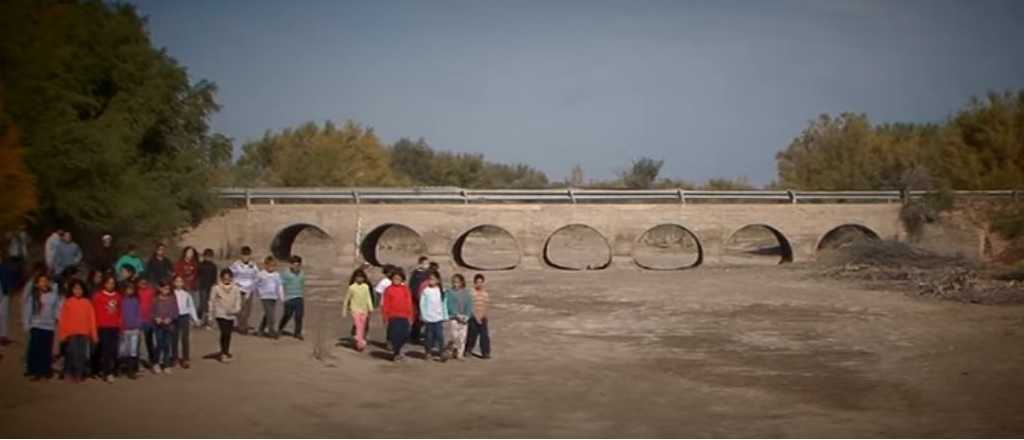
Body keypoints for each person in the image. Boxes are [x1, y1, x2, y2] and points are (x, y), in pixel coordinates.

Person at [22, 273, 63, 380]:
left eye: (46, 281)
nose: (44, 283)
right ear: (36, 284)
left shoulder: (53, 295)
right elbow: (27, 311)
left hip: (49, 327)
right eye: (41, 281)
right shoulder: (33, 296)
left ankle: (44, 370)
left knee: (46, 349)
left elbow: (57, 308)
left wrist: (57, 318)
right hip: (36, 326)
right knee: (34, 349)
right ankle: (33, 370)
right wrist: (27, 324)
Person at [57, 279, 97, 383]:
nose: (78, 291)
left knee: (81, 355)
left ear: (83, 290)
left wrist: (94, 335)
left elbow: (91, 319)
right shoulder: (68, 302)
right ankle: (69, 373)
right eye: (75, 288)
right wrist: (63, 334)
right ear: (72, 290)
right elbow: (63, 320)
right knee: (71, 354)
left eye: (80, 289)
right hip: (72, 333)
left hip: (84, 333)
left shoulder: (87, 303)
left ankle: (79, 374)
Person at [91, 274, 122, 382]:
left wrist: (120, 325)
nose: (110, 285)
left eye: (112, 283)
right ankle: (106, 372)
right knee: (105, 350)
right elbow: (93, 312)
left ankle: (111, 370)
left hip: (114, 327)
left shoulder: (118, 296)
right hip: (102, 326)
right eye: (108, 283)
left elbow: (119, 312)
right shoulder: (97, 296)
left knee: (113, 350)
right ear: (104, 284)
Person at [208, 269, 241, 362]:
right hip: (220, 313)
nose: (226, 280)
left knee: (228, 334)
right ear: (221, 278)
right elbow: (211, 301)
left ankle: (225, 351)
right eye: (224, 278)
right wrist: (210, 315)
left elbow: (238, 301)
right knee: (224, 332)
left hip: (231, 314)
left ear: (231, 278)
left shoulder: (236, 288)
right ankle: (223, 353)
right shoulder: (216, 288)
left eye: (228, 278)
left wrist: (236, 310)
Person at [380, 270, 414, 362]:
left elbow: (409, 303)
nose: (396, 280)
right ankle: (396, 353)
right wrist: (385, 317)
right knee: (395, 336)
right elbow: (385, 304)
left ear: (402, 279)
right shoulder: (388, 289)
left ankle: (398, 350)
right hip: (393, 316)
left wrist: (410, 316)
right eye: (395, 278)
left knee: (405, 335)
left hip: (404, 316)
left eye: (399, 278)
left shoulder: (405, 289)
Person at [341, 268, 373, 351]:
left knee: (362, 326)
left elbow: (368, 298)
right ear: (354, 278)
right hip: (355, 309)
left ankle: (359, 340)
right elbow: (346, 299)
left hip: (364, 309)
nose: (359, 279)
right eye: (358, 277)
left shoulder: (366, 287)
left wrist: (370, 307)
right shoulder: (352, 288)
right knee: (358, 325)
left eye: (361, 277)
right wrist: (344, 310)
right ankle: (360, 341)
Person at [171, 275, 200, 368]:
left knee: (185, 338)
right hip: (174, 317)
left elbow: (191, 307)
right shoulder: (171, 294)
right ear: (173, 283)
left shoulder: (187, 294)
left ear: (183, 283)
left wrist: (195, 319)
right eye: (177, 281)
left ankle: (185, 359)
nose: (179, 283)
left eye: (180, 281)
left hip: (184, 317)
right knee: (174, 338)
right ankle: (175, 358)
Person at [229, 246, 259, 334]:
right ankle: (242, 327)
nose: (245, 257)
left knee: (248, 309)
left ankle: (244, 324)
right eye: (244, 255)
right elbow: (230, 275)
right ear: (241, 255)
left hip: (249, 289)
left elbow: (256, 276)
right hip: (239, 288)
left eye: (247, 255)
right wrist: (234, 285)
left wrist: (253, 287)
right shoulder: (236, 264)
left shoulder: (253, 265)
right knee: (240, 308)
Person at [419, 271, 448, 361]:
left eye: (433, 279)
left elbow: (444, 304)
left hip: (438, 318)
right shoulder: (426, 291)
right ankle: (428, 352)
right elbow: (422, 304)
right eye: (430, 279)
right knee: (429, 337)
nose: (431, 281)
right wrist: (423, 316)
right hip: (429, 318)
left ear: (438, 280)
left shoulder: (441, 291)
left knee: (440, 336)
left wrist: (445, 316)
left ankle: (442, 352)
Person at [151, 280, 179, 374]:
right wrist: (156, 318)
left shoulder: (172, 299)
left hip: (169, 326)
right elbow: (151, 312)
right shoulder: (155, 299)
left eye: (167, 288)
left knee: (167, 345)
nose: (166, 290)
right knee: (159, 344)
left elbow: (176, 312)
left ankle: (166, 365)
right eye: (164, 288)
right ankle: (156, 363)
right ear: (159, 288)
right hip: (158, 326)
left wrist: (170, 318)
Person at [444, 274, 473, 361]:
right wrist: (456, 315)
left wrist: (467, 316)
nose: (455, 284)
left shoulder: (466, 293)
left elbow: (469, 305)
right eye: (454, 282)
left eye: (457, 282)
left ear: (461, 283)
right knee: (454, 336)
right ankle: (451, 350)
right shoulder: (449, 293)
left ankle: (460, 354)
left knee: (462, 337)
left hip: (464, 319)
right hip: (454, 318)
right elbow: (448, 305)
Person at [254, 256, 283, 338]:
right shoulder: (261, 274)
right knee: (271, 314)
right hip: (264, 297)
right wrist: (257, 292)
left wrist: (281, 296)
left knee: (268, 314)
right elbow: (255, 284)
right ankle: (272, 331)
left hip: (273, 297)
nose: (271, 268)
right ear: (265, 265)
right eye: (270, 265)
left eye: (273, 266)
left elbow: (279, 286)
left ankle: (261, 329)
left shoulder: (277, 275)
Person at [118, 281, 142, 379]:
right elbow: (118, 314)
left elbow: (138, 314)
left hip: (134, 329)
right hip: (124, 329)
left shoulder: (135, 301)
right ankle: (120, 369)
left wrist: (138, 326)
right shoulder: (120, 300)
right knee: (122, 350)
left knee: (133, 350)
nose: (130, 291)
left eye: (131, 289)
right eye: (128, 288)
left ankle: (131, 371)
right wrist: (120, 327)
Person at [278, 255, 306, 340]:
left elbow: (301, 284)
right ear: (291, 265)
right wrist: (282, 297)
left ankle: (297, 333)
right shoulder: (285, 274)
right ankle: (280, 328)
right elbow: (280, 285)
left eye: (298, 265)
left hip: (299, 297)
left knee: (299, 315)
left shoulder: (302, 273)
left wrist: (301, 294)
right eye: (295, 265)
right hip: (289, 298)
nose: (296, 267)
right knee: (287, 315)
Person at [465, 273, 491, 359]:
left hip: (483, 317)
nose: (479, 284)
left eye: (481, 282)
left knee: (484, 336)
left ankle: (485, 353)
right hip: (473, 317)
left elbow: (486, 305)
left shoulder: (485, 294)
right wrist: (476, 317)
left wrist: (483, 316)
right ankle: (468, 349)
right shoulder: (471, 293)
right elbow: (470, 306)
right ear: (474, 282)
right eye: (477, 282)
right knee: (472, 335)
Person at [136, 277, 158, 371]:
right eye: (141, 282)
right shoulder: (135, 293)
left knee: (150, 342)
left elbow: (156, 302)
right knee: (138, 343)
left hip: (150, 320)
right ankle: (139, 362)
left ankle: (153, 361)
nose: (143, 283)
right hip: (138, 321)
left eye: (145, 282)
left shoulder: (151, 291)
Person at [174, 247, 199, 326]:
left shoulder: (194, 263)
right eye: (188, 252)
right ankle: (187, 320)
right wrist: (183, 282)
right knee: (184, 304)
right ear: (185, 253)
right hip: (183, 286)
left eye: (191, 253)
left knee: (195, 304)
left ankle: (193, 318)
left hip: (193, 286)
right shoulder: (180, 263)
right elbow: (177, 274)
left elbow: (196, 274)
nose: (190, 254)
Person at [408, 256, 430, 342]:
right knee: (417, 318)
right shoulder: (416, 274)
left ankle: (425, 335)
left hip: (427, 299)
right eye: (425, 263)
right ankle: (414, 336)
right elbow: (412, 287)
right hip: (417, 299)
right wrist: (417, 297)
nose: (426, 265)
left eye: (427, 263)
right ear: (420, 264)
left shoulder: (428, 274)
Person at [196, 249, 219, 328]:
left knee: (209, 305)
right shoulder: (200, 265)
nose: (208, 258)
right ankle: (198, 319)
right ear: (204, 256)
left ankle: (206, 321)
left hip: (210, 287)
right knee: (202, 305)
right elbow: (197, 276)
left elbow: (215, 278)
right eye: (207, 256)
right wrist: (198, 285)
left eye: (210, 256)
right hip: (202, 287)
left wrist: (215, 287)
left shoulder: (213, 266)